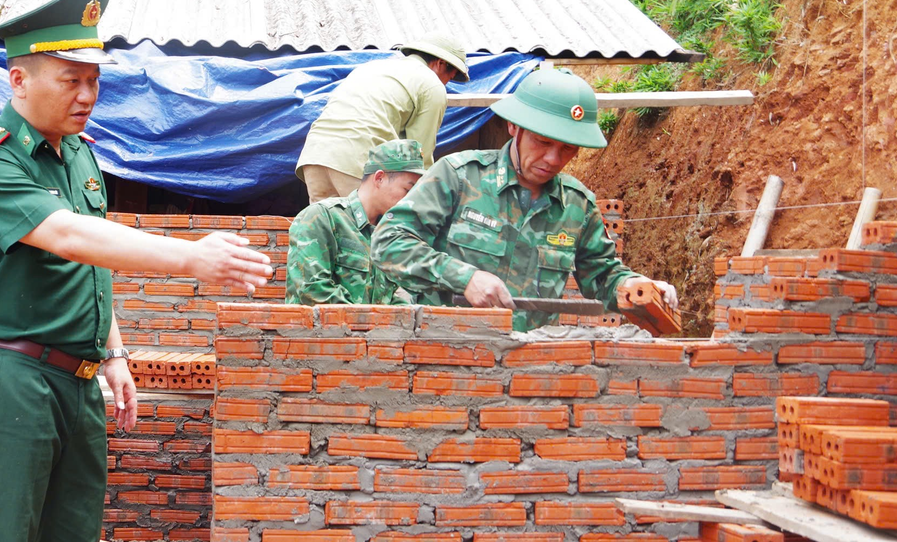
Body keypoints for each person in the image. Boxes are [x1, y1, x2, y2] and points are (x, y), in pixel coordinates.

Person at [0, 0, 272, 542]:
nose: (87, 94)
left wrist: (115, 354)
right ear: (18, 78)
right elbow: (66, 237)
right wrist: (191, 257)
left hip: (75, 379)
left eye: (94, 80)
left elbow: (91, 267)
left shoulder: (79, 156)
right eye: (71, 80)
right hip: (9, 378)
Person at [371, 66, 677, 332]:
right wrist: (464, 278)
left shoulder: (577, 205)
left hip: (526, 369)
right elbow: (389, 242)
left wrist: (634, 286)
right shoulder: (458, 176)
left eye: (569, 149)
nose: (554, 159)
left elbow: (602, 273)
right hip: (449, 353)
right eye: (542, 142)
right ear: (513, 126)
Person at [296, 35, 469, 203]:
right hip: (357, 158)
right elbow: (418, 154)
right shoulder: (432, 84)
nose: (446, 84)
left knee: (325, 229)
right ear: (440, 63)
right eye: (450, 77)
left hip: (315, 154)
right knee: (376, 229)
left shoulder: (373, 67)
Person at [286, 139, 426, 305]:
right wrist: (372, 321)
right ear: (379, 178)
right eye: (407, 190)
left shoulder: (389, 235)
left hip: (370, 330)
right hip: (321, 330)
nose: (411, 200)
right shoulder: (323, 216)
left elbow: (385, 301)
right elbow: (312, 291)